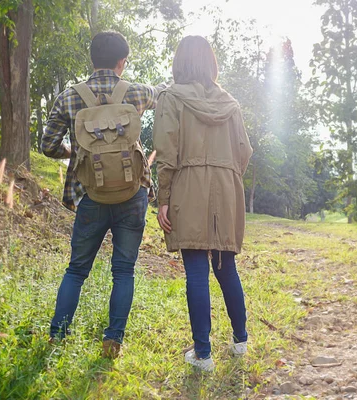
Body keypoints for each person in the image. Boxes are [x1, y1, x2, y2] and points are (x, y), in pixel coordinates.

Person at [42, 31, 163, 359]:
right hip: (132, 193)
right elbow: (163, 93)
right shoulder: (135, 93)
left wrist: (76, 152)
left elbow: (47, 145)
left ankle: (58, 334)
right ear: (122, 62)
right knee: (123, 270)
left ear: (92, 60)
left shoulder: (70, 97)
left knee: (77, 270)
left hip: (89, 194)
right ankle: (113, 339)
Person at [153, 35, 253, 372]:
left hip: (188, 186)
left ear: (179, 62)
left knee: (196, 269)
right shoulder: (232, 104)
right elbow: (244, 151)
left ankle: (203, 355)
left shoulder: (171, 98)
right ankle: (240, 340)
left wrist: (163, 198)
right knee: (226, 266)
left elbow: (166, 152)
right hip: (227, 187)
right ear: (211, 63)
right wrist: (227, 176)